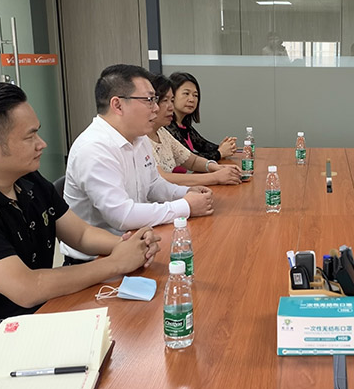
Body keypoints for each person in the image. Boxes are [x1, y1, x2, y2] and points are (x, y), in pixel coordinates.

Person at [0, 81, 160, 380]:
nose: (42, 144)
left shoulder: (28, 180)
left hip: (41, 319)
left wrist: (126, 245)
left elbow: (81, 234)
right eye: (30, 136)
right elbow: (26, 288)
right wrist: (116, 263)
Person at [62, 64, 214, 263]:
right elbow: (122, 216)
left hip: (138, 245)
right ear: (118, 105)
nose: (156, 108)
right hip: (97, 260)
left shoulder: (139, 138)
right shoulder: (94, 148)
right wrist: (185, 206)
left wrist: (185, 192)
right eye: (149, 100)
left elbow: (153, 184)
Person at [148, 74, 242, 186]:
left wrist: (219, 168)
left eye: (172, 100)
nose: (171, 107)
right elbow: (161, 178)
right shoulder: (142, 138)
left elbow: (192, 161)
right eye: (165, 100)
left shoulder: (162, 133)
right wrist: (215, 177)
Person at [166, 71, 237, 167]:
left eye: (195, 95)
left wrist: (226, 146)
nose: (191, 99)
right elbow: (189, 158)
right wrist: (219, 153)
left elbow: (204, 146)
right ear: (171, 95)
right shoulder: (167, 127)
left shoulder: (185, 126)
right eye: (186, 93)